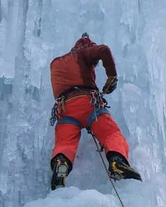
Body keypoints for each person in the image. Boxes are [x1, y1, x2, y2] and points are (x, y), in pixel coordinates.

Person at [48, 34, 142, 189]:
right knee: (110, 133)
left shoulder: (56, 63)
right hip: (88, 103)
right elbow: (104, 50)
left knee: (65, 143)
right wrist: (112, 77)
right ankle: (117, 161)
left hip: (64, 110)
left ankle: (61, 164)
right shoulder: (82, 53)